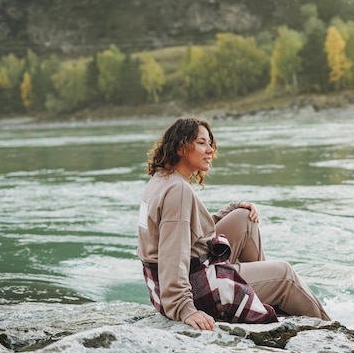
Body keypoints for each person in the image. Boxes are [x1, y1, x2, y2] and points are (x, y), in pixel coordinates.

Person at [137, 116, 331, 331]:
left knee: (243, 217)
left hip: (173, 281)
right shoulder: (178, 190)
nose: (210, 150)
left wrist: (232, 209)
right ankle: (331, 330)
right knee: (285, 274)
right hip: (197, 287)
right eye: (201, 143)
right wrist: (184, 307)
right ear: (181, 147)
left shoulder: (163, 179)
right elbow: (172, 252)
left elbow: (185, 230)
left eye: (210, 143)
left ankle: (271, 298)